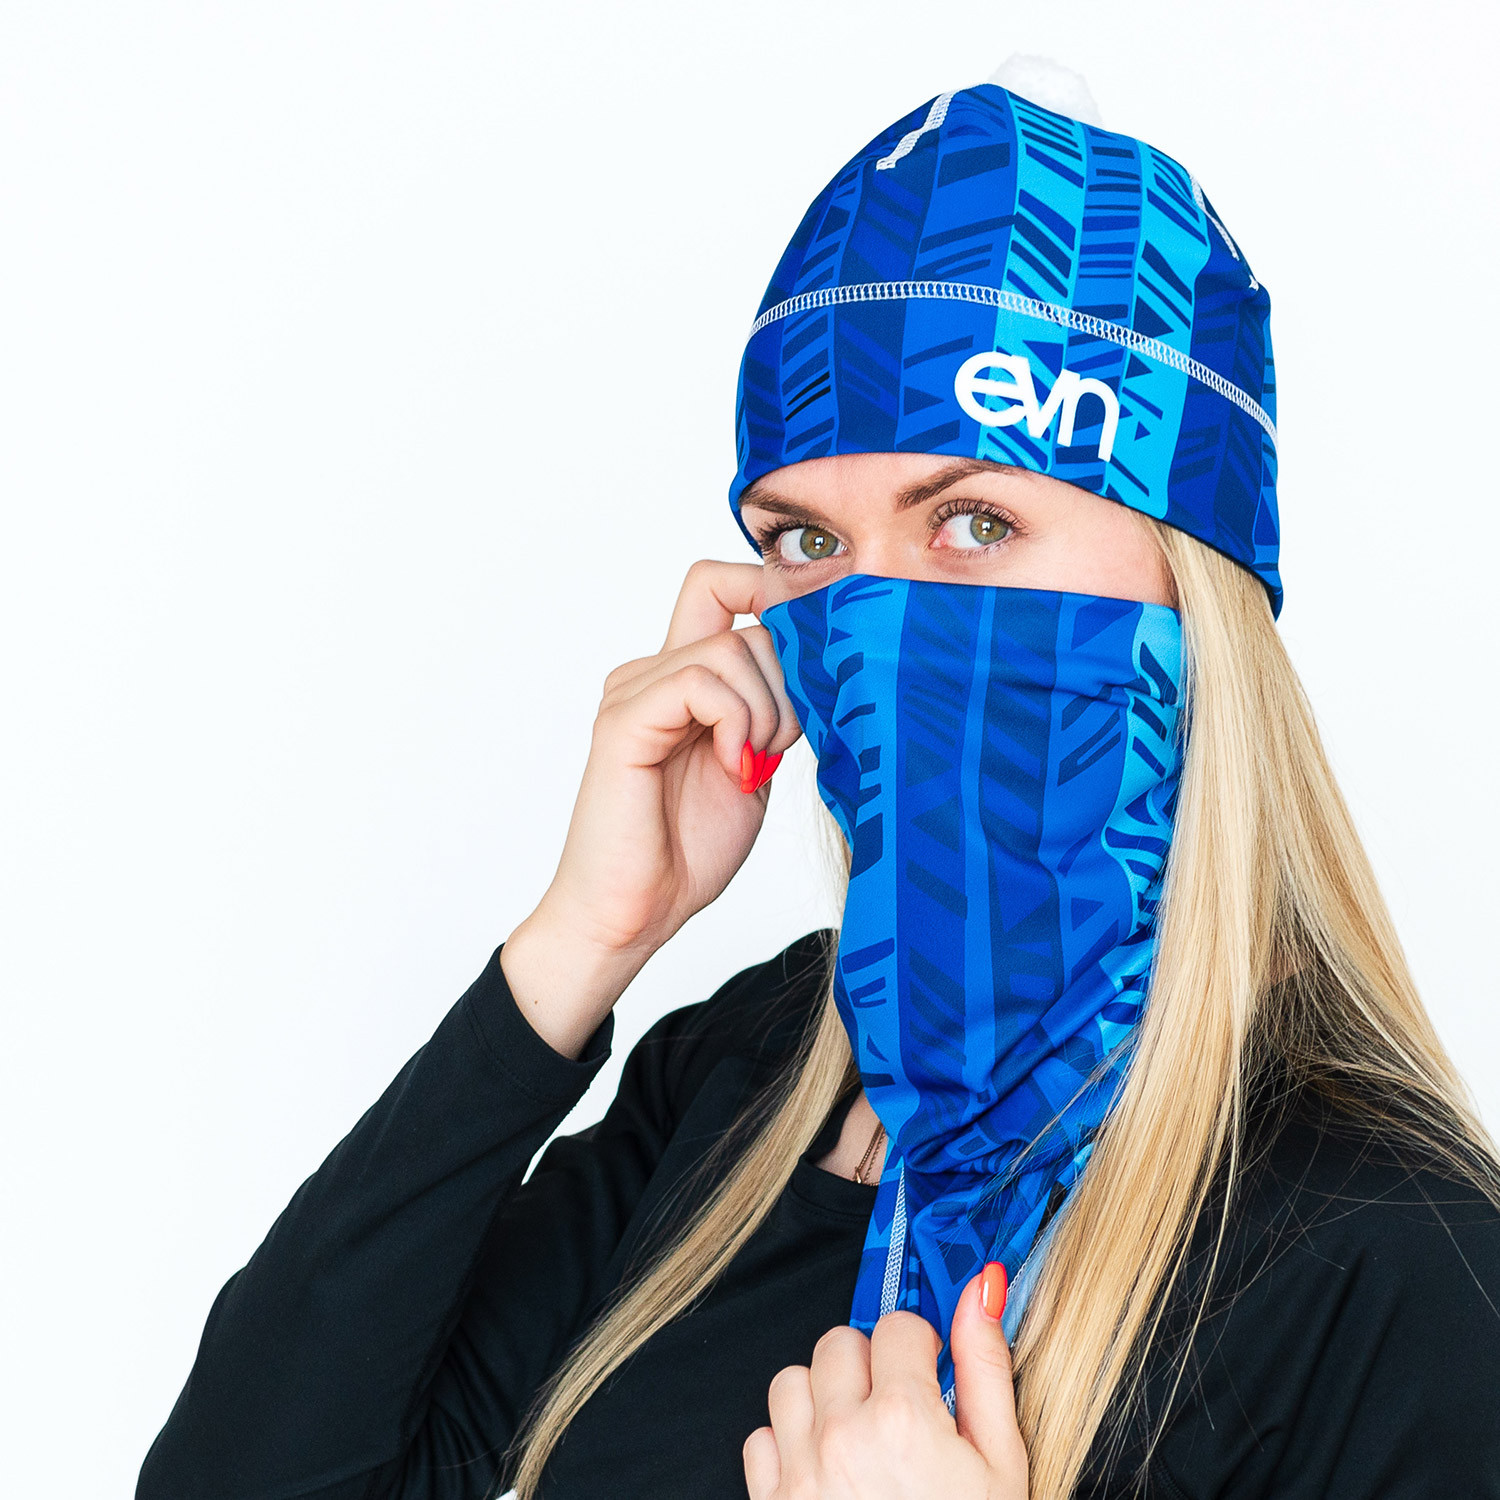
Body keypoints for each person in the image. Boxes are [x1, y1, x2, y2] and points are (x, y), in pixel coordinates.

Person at [137, 80, 1500, 1500]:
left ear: (1193, 587)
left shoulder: (1404, 1273)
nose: (870, 622)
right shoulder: (740, 1084)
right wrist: (582, 943)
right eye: (806, 544)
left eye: (976, 520)